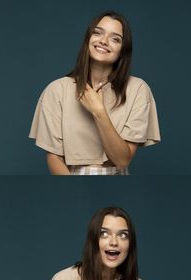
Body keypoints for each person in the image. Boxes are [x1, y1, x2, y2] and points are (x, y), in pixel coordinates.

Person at [29, 11, 160, 175]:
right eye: (97, 33)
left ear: (123, 50)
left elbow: (122, 160)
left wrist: (99, 111)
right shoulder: (56, 90)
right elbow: (54, 158)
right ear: (87, 39)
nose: (104, 41)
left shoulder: (138, 89)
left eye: (115, 39)